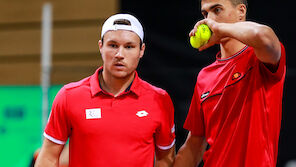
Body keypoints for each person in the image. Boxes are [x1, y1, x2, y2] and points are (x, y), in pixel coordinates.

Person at [35, 13, 176, 167]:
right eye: (113, 45)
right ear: (101, 47)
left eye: (129, 47)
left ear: (141, 50)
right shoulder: (69, 96)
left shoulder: (160, 100)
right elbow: (48, 158)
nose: (120, 54)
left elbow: (165, 159)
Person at [174, 0, 286, 166]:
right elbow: (193, 145)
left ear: (241, 12)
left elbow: (263, 36)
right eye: (205, 14)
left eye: (217, 10)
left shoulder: (259, 58)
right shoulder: (205, 76)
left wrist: (220, 28)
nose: (209, 20)